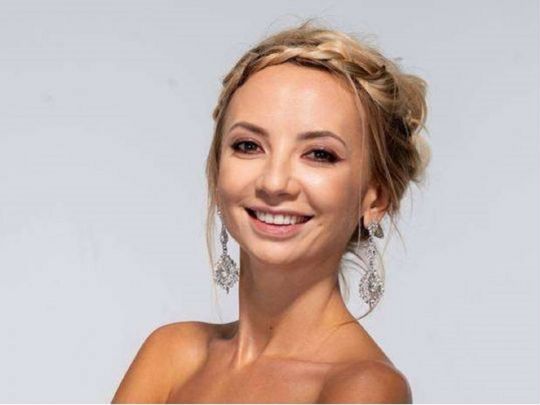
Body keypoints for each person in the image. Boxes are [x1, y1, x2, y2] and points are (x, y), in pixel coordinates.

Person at [112, 19, 430, 404]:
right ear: (217, 172)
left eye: (319, 154)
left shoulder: (365, 386)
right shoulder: (172, 354)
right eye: (248, 146)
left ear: (375, 198)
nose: (275, 182)